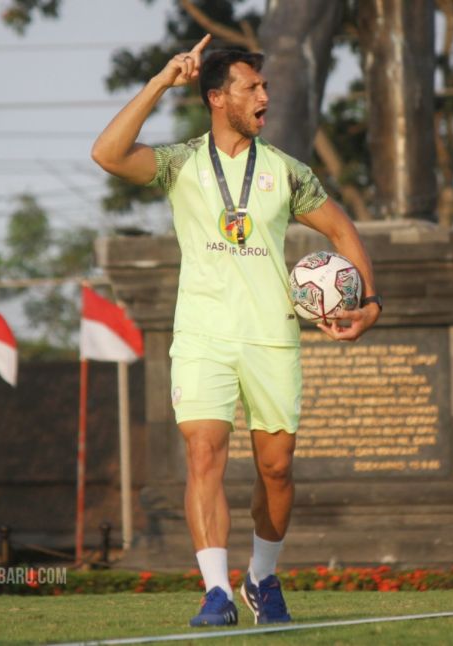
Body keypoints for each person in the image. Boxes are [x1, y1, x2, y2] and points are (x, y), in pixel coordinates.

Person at [91, 34, 381, 627]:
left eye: (265, 86)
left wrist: (369, 303)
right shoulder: (179, 165)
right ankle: (216, 592)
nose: (264, 96)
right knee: (204, 454)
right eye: (252, 87)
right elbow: (108, 153)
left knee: (276, 469)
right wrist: (159, 82)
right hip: (202, 337)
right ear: (218, 98)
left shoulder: (285, 171)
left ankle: (261, 578)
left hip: (272, 336)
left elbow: (343, 232)